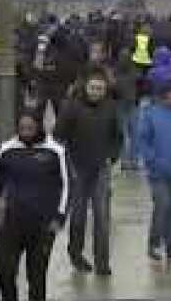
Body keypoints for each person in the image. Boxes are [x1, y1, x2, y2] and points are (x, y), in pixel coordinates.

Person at [0, 110, 68, 301]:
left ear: (39, 127)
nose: (26, 131)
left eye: (30, 128)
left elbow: (66, 186)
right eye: (22, 128)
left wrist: (59, 217)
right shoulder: (7, 149)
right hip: (13, 222)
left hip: (43, 225)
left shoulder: (55, 151)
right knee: (4, 270)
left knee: (37, 277)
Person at [54, 68, 122, 275]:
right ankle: (76, 253)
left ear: (105, 90)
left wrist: (113, 156)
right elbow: (58, 136)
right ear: (85, 87)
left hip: (101, 167)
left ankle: (102, 262)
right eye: (93, 88)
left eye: (100, 89)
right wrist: (63, 164)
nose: (96, 92)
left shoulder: (111, 107)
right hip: (77, 168)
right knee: (78, 217)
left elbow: (117, 136)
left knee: (102, 217)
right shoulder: (71, 107)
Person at [136, 70, 171, 264]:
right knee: (162, 205)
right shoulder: (150, 114)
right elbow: (143, 142)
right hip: (159, 173)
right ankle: (154, 243)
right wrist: (154, 163)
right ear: (165, 94)